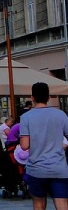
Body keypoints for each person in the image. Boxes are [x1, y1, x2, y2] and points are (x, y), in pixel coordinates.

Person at [20, 82, 68, 210]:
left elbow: (24, 145)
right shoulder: (61, 115)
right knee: (62, 203)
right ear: (48, 97)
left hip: (37, 168)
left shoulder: (26, 117)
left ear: (32, 97)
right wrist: (62, 145)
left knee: (39, 204)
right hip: (59, 168)